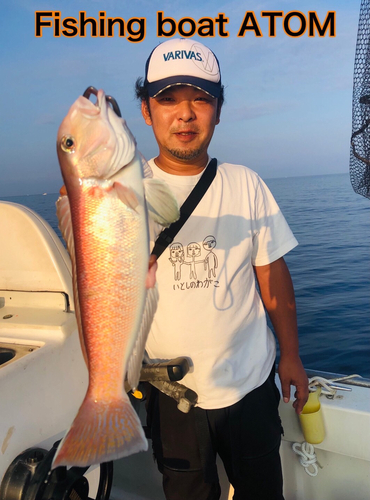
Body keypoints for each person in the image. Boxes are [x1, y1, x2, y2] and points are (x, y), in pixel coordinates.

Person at [135, 38, 309, 500]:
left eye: (201, 99)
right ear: (147, 111)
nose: (185, 113)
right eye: (168, 99)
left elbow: (272, 274)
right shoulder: (122, 194)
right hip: (173, 395)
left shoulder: (245, 183)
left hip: (250, 387)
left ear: (218, 109)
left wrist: (290, 355)